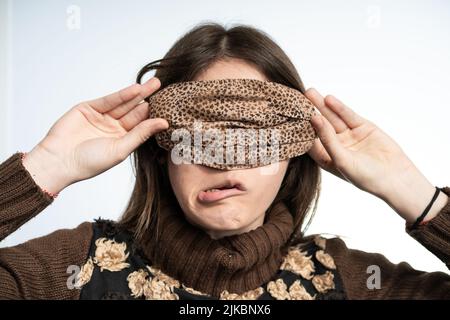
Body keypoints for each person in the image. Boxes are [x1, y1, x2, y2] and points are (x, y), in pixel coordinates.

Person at [0, 23, 449, 300]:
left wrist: (413, 192)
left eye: (253, 133)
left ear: (294, 155)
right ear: (161, 153)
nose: (225, 157)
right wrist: (45, 167)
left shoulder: (354, 283)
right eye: (200, 134)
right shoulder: (69, 271)